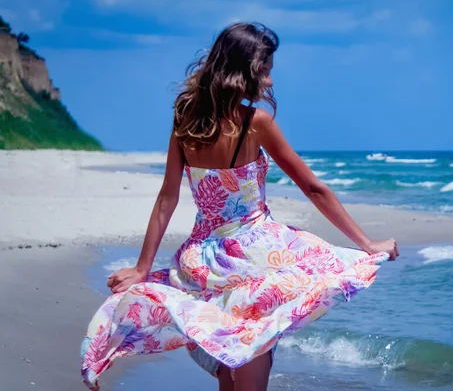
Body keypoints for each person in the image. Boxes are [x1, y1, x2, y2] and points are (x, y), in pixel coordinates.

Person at [81, 22, 398, 391]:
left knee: (231, 361)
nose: (270, 82)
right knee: (253, 346)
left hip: (201, 261)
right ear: (245, 69)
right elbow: (312, 187)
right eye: (266, 71)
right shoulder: (255, 123)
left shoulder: (186, 119)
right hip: (254, 255)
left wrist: (143, 267)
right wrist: (367, 243)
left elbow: (168, 197)